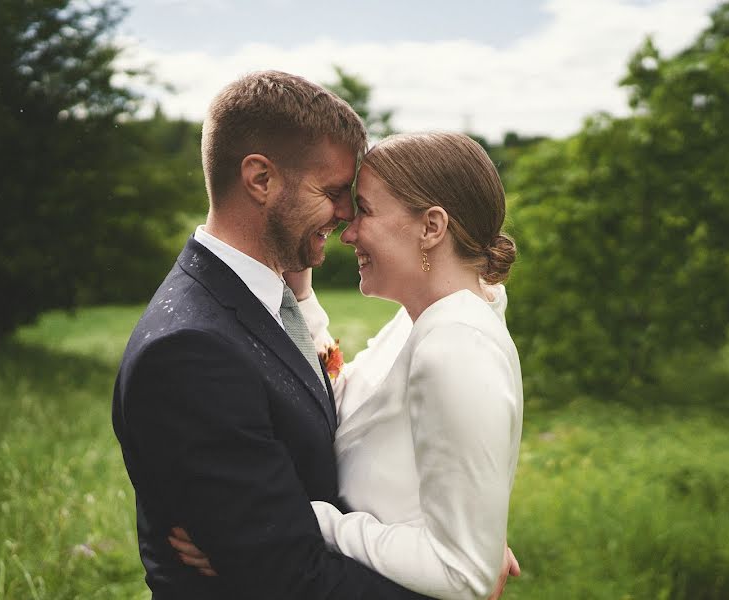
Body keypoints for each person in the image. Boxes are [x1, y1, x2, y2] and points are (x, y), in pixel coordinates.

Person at [112, 70, 432, 599]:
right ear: (260, 179)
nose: (349, 214)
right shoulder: (191, 352)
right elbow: (288, 578)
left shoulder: (267, 302)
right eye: (332, 191)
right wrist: (453, 585)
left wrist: (443, 548)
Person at [173, 132, 524, 600]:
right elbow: (347, 401)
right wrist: (300, 296)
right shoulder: (419, 322)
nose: (349, 231)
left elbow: (464, 574)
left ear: (432, 227)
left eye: (366, 210)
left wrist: (285, 522)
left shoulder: (455, 350)